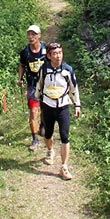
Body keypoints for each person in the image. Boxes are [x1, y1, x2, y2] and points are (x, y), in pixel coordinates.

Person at [36, 42, 82, 180]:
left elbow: (74, 88)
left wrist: (77, 105)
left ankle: (64, 167)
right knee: (47, 134)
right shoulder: (44, 69)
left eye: (60, 53)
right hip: (48, 106)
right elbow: (39, 85)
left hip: (63, 107)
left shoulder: (67, 70)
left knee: (64, 136)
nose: (58, 56)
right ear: (49, 56)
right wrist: (38, 101)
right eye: (55, 54)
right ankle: (50, 151)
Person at [17, 24, 46, 150]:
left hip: (46, 85)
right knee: (34, 111)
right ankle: (35, 140)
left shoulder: (46, 50)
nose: (31, 37)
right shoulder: (25, 52)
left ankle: (43, 125)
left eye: (33, 34)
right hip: (32, 85)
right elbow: (22, 65)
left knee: (44, 110)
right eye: (29, 34)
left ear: (39, 36)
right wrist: (20, 78)